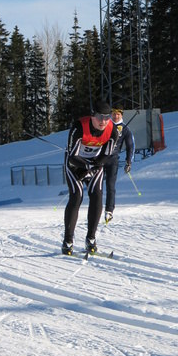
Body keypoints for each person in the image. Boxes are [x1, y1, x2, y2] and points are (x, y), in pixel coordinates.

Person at [62, 99, 118, 255]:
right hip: (75, 165)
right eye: (100, 117)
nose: (103, 121)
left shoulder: (112, 130)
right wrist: (85, 167)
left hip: (95, 164)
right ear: (93, 116)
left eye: (107, 117)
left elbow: (106, 155)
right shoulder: (79, 127)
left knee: (97, 196)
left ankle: (91, 239)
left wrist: (94, 166)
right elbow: (72, 156)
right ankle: (68, 241)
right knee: (76, 196)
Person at [104, 106, 135, 223]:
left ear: (121, 115)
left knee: (110, 186)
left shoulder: (125, 129)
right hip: (100, 159)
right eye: (113, 114)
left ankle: (109, 210)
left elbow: (130, 146)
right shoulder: (105, 125)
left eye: (118, 114)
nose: (115, 116)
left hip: (113, 160)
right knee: (97, 186)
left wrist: (128, 162)